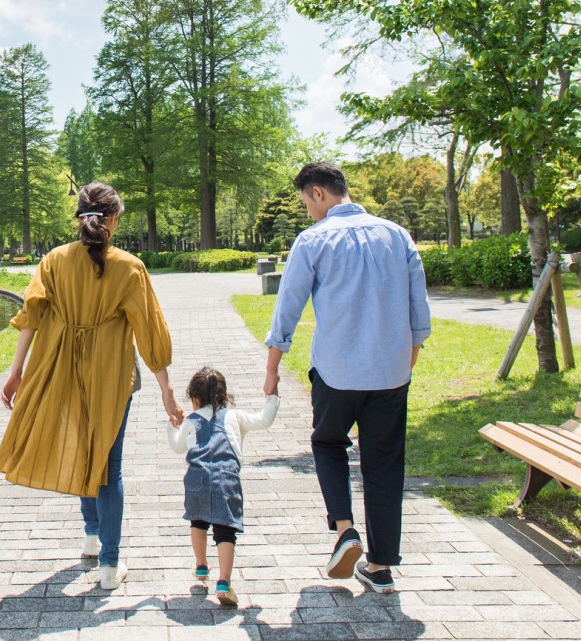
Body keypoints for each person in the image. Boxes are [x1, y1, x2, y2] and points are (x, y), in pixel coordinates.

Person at [0, 181, 182, 590]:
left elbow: (32, 315)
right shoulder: (129, 267)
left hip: (62, 366)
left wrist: (17, 370)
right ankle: (110, 566)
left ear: (79, 217)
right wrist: (167, 390)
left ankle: (92, 536)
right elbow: (150, 332)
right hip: (113, 375)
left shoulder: (54, 260)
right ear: (114, 218)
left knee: (83, 449)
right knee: (108, 465)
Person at [264, 162, 430, 595]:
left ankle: (344, 530)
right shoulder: (397, 235)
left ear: (318, 193)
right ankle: (380, 567)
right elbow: (419, 314)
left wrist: (271, 370)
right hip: (391, 374)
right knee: (384, 462)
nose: (307, 213)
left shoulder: (314, 240)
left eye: (306, 203)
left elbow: (288, 310)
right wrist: (403, 366)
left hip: (337, 373)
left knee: (327, 443)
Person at [167, 367, 279, 607]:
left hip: (196, 478)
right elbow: (264, 419)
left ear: (194, 398)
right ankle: (224, 582)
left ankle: (201, 564)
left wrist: (173, 425)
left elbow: (177, 447)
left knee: (197, 520)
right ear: (223, 395)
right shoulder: (234, 416)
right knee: (225, 531)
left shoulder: (191, 421)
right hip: (226, 478)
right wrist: (273, 396)